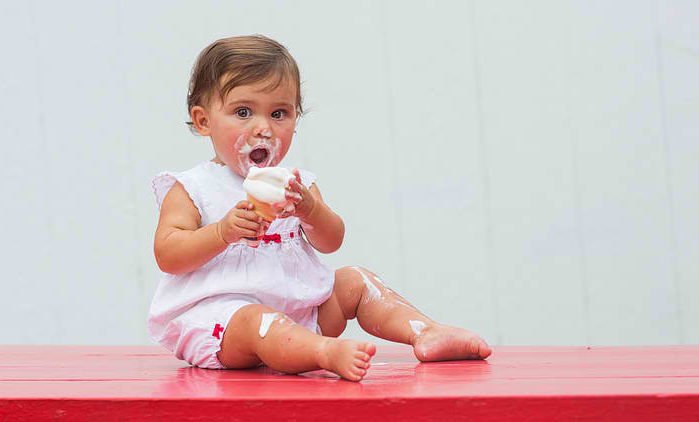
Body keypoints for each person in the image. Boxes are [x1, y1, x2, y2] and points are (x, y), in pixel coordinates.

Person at [148, 35, 492, 381]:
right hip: (223, 325)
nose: (263, 128)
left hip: (299, 315)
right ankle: (324, 353)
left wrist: (310, 210)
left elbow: (332, 240)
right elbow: (169, 254)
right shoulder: (193, 187)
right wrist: (222, 232)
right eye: (243, 112)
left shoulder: (296, 185)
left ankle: (426, 331)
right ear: (203, 120)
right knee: (257, 319)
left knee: (355, 281)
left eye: (279, 113)